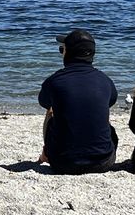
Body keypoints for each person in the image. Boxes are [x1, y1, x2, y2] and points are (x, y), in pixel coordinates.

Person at [38, 29, 118, 174]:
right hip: (103, 162)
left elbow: (44, 102)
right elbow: (111, 101)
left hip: (62, 163)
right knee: (100, 110)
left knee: (51, 111)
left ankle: (46, 154)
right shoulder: (105, 81)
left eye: (62, 49)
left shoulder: (54, 81)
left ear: (68, 53)